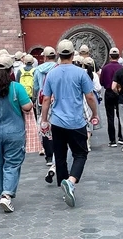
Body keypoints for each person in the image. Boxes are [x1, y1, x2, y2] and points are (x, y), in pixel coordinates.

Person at [39, 39, 99, 208]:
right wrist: (94, 114)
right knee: (80, 154)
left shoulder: (52, 74)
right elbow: (89, 96)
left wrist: (44, 120)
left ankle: (64, 184)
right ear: (73, 54)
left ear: (59, 54)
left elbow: (46, 99)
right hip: (76, 122)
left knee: (60, 156)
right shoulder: (81, 73)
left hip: (57, 122)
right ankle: (71, 182)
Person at [0, 53, 34, 212]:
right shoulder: (17, 88)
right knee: (12, 163)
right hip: (14, 133)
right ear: (11, 70)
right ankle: (7, 194)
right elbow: (27, 107)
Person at [32, 46, 58, 164]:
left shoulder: (38, 69)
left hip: (42, 99)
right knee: (56, 125)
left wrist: (34, 98)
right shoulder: (58, 67)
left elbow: (36, 87)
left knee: (44, 124)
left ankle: (49, 155)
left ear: (45, 57)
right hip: (56, 99)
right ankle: (57, 151)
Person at [99, 47, 123, 148]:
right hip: (119, 93)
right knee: (120, 115)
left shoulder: (105, 68)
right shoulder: (121, 68)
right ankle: (121, 137)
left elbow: (101, 82)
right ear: (118, 56)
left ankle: (112, 140)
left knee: (110, 116)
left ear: (110, 56)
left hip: (108, 92)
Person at [82, 56, 102, 151]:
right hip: (92, 97)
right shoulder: (94, 75)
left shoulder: (80, 73)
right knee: (90, 119)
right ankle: (87, 141)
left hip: (81, 97)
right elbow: (98, 88)